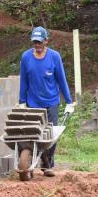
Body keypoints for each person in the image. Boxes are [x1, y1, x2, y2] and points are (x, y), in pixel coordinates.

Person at [19, 27, 75, 177]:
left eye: (39, 42)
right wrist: (21, 101)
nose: (37, 45)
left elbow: (61, 80)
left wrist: (69, 101)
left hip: (51, 102)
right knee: (32, 134)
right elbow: (24, 80)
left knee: (50, 135)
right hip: (33, 103)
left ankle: (47, 163)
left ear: (46, 41)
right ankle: (31, 159)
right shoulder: (26, 57)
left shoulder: (54, 57)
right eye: (34, 42)